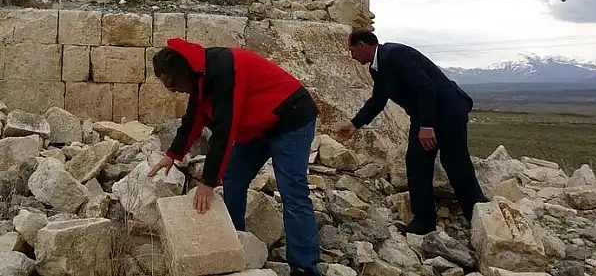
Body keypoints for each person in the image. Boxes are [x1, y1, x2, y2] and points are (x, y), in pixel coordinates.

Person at [146, 37, 323, 276]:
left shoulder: (223, 70)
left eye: (174, 84)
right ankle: (235, 239)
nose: (174, 90)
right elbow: (193, 118)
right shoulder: (199, 76)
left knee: (292, 191)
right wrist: (173, 154)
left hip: (290, 118)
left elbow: (224, 130)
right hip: (259, 125)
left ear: (183, 72)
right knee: (234, 177)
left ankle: (304, 266)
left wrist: (208, 182)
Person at [335, 30, 487, 234]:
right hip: (424, 114)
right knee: (416, 163)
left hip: (448, 110)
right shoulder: (377, 68)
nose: (351, 55)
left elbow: (426, 87)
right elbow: (378, 100)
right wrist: (355, 124)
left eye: (352, 50)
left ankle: (477, 213)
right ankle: (424, 221)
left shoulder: (395, 54)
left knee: (455, 162)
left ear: (362, 45)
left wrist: (426, 126)